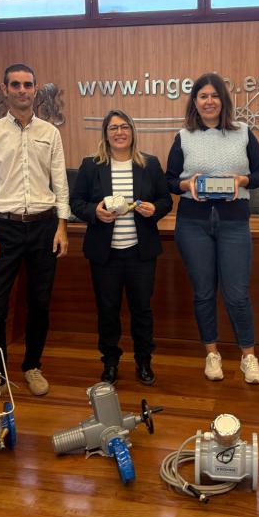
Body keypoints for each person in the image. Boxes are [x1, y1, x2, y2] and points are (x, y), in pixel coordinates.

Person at [0, 63, 70, 396]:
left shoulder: (50, 133)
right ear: (5, 90)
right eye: (15, 85)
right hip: (4, 228)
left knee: (39, 303)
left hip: (44, 227)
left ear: (35, 88)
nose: (22, 90)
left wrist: (62, 227)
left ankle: (32, 366)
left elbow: (60, 182)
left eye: (27, 84)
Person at [166, 72, 259, 383]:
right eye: (203, 96)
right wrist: (187, 184)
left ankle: (248, 357)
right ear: (195, 102)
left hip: (233, 222)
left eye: (214, 95)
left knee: (237, 294)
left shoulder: (243, 133)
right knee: (203, 292)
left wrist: (242, 180)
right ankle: (212, 354)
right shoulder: (183, 136)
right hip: (193, 223)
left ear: (223, 100)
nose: (209, 101)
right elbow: (169, 180)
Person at [70, 109, 172, 385]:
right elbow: (76, 202)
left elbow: (166, 200)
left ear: (132, 132)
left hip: (141, 253)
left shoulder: (149, 164)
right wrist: (95, 211)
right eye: (113, 128)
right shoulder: (91, 165)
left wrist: (155, 210)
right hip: (105, 255)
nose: (119, 132)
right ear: (105, 134)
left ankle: (144, 361)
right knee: (107, 311)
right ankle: (110, 362)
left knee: (142, 310)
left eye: (124, 127)